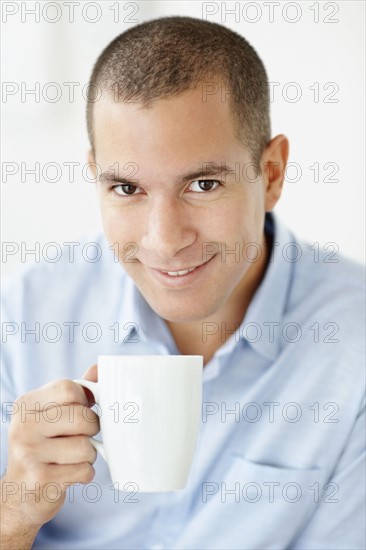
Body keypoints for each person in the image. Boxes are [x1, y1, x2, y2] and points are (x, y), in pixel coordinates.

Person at [1, 15, 364, 550]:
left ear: (271, 174)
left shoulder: (353, 346)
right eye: (126, 188)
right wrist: (13, 516)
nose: (164, 240)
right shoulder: (24, 315)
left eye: (203, 183)